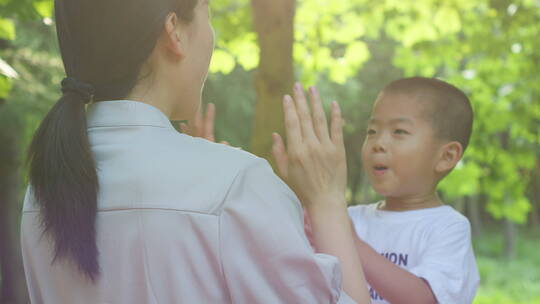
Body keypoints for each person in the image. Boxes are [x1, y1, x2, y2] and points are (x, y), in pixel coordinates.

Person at [20, 0, 370, 303]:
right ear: (174, 30)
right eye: (209, 13)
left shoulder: (43, 188)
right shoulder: (235, 184)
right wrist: (326, 202)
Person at [278, 77, 480, 304]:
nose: (378, 143)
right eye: (372, 131)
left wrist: (352, 242)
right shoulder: (351, 217)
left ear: (446, 156)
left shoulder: (448, 227)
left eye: (399, 132)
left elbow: (423, 300)